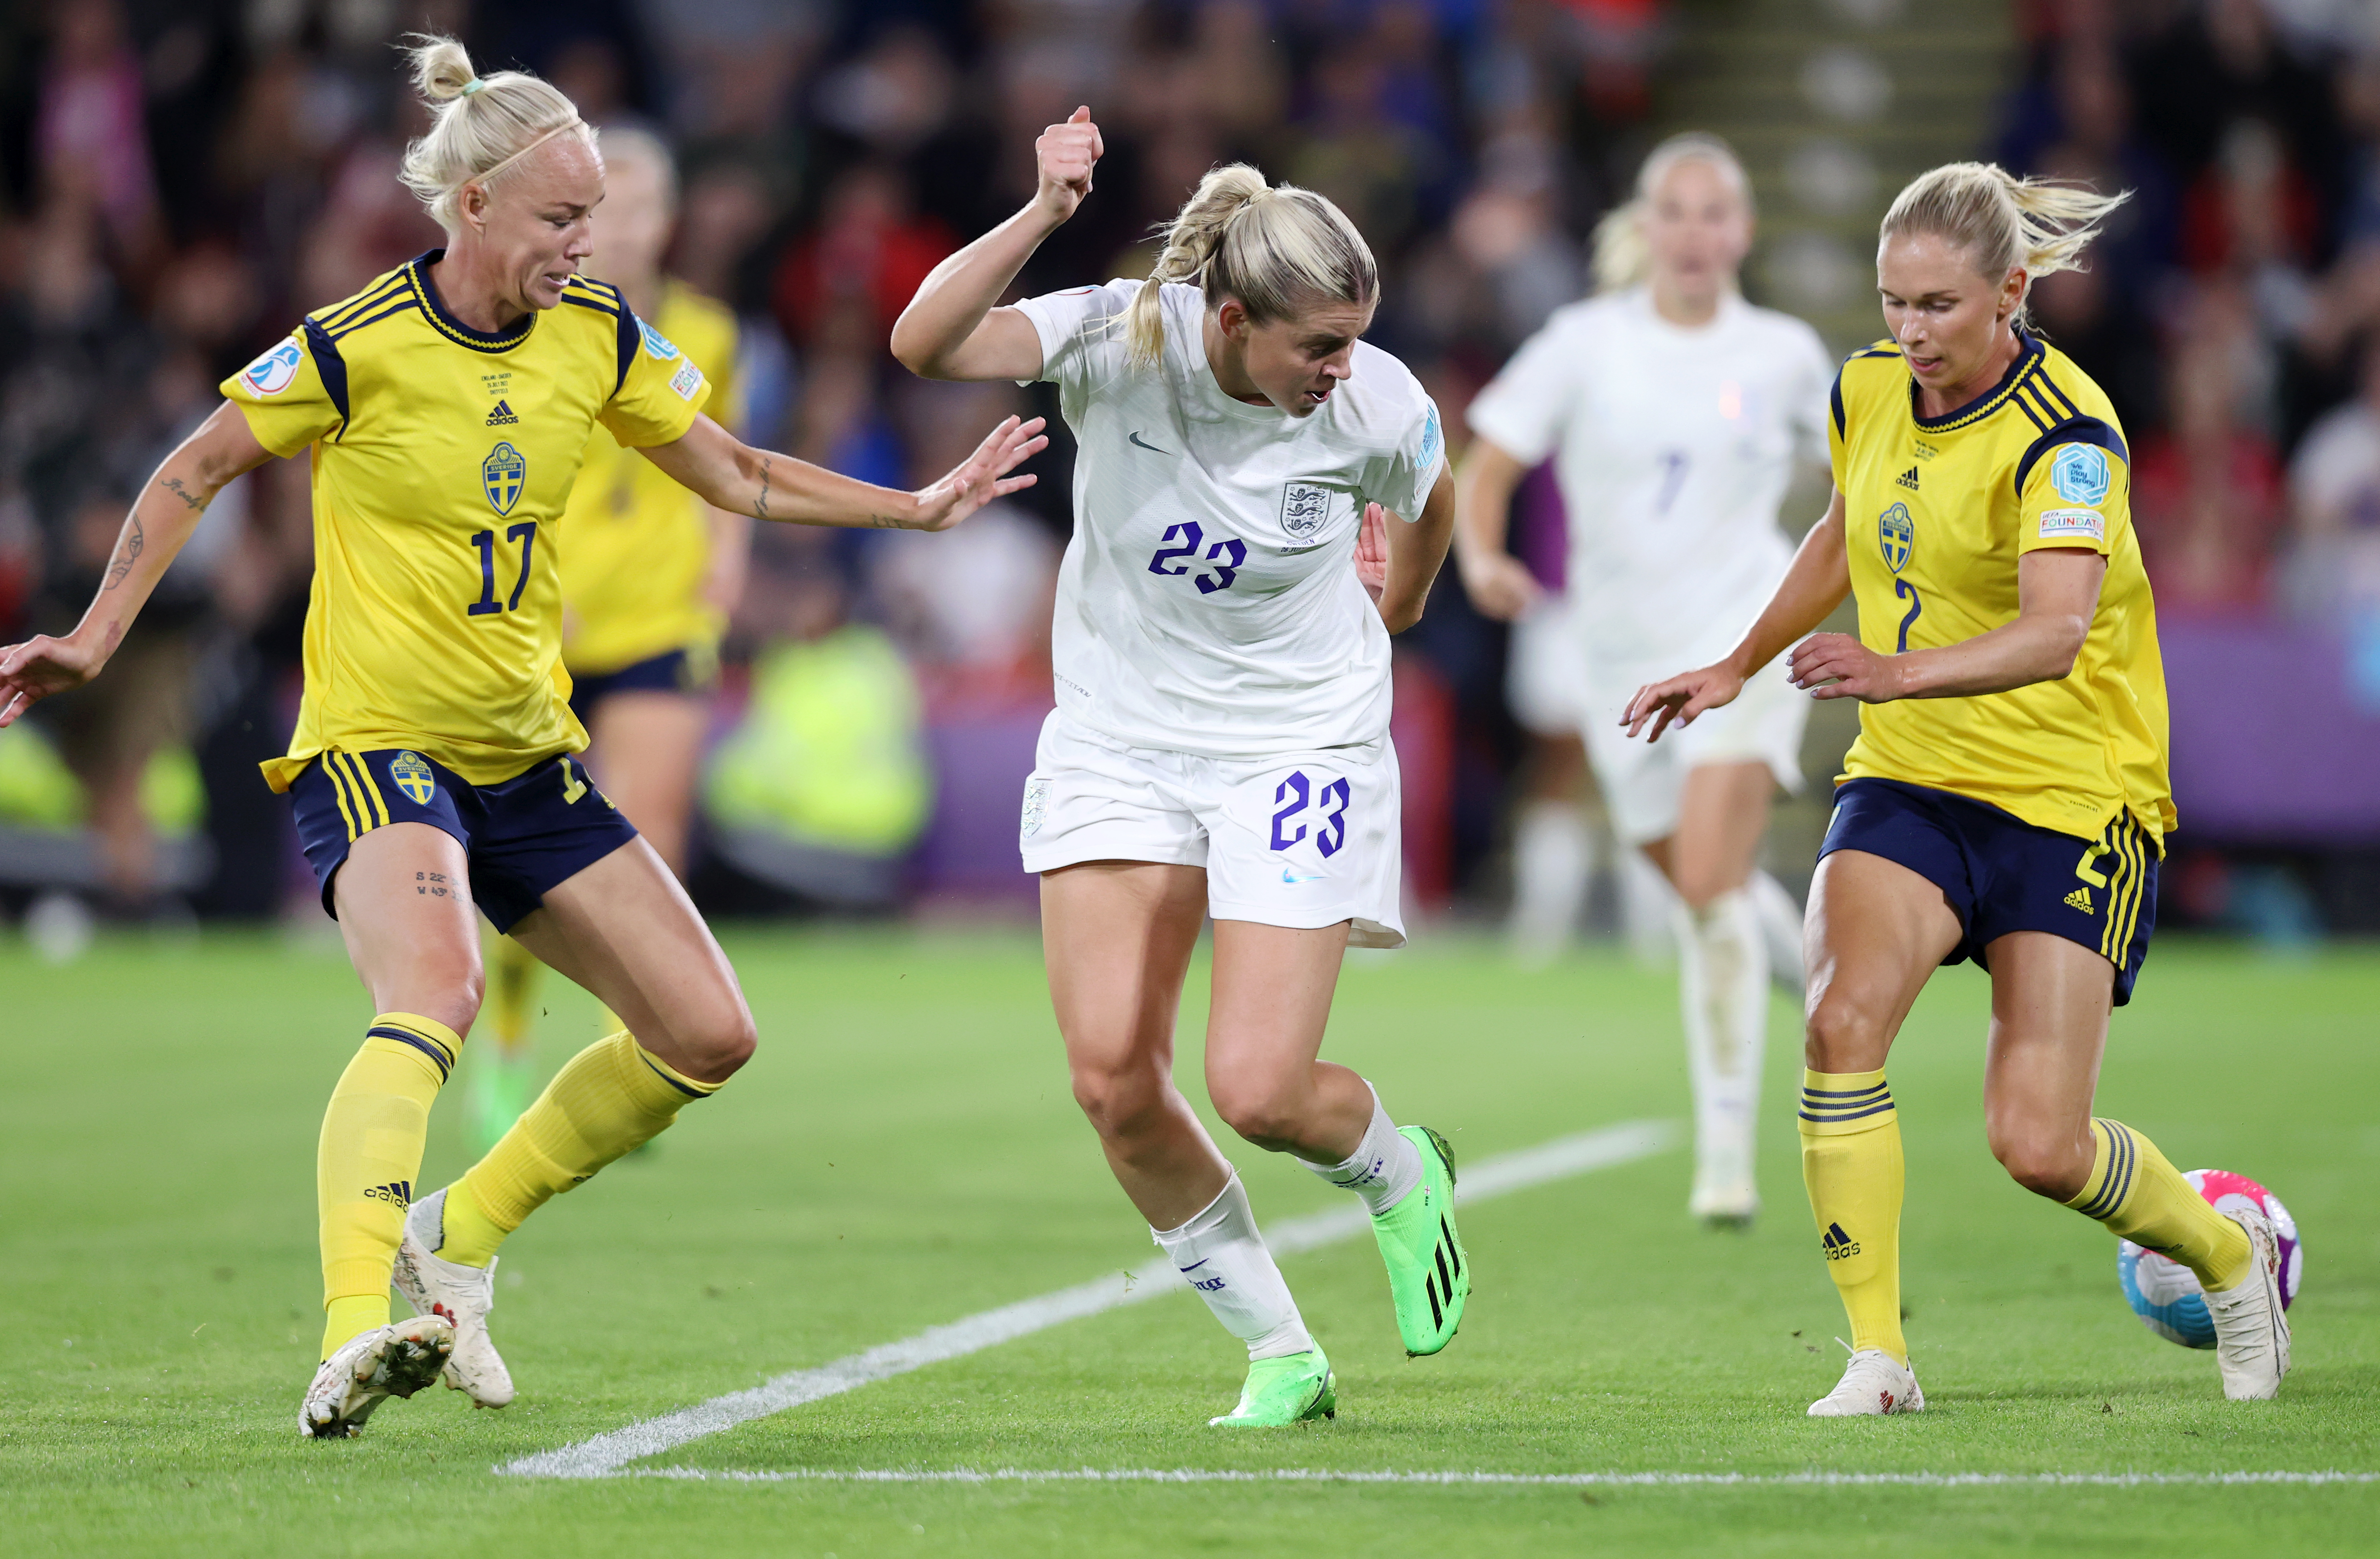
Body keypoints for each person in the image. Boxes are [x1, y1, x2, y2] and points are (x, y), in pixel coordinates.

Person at [0, 36, 1044, 1439]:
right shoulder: (355, 340)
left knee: (707, 1031)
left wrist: (911, 506)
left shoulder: (599, 334)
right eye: (562, 215)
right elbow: (196, 465)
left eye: (594, 213)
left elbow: (729, 467)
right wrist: (93, 632)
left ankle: (462, 1228)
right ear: (474, 203)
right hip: (378, 742)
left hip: (525, 754)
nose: (586, 239)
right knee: (429, 994)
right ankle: (352, 1327)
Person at [1624, 162, 2292, 1414]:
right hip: (1914, 775)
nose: (1910, 332)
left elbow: (2054, 630)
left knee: (2036, 1141)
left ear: (2010, 292)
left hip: (2070, 786)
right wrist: (1733, 663)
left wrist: (1888, 665)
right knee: (1835, 1023)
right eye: (1893, 302)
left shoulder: (2068, 432)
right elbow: (1842, 528)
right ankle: (1878, 1356)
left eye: (1937, 304)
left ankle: (2222, 1249)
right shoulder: (1868, 387)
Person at [891, 110, 1465, 1428]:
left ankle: (1397, 1167)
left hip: (1294, 737)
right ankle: (1279, 1349)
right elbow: (923, 342)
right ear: (1227, 320)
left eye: (1354, 337)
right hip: (1120, 732)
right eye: (1315, 344)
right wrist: (1041, 211)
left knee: (1259, 1088)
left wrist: (1404, 604)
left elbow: (1434, 496)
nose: (1342, 366)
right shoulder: (1122, 335)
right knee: (1108, 1074)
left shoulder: (1376, 400)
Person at [1454, 134, 1829, 1226]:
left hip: (1741, 646)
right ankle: (1824, 977)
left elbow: (1859, 480)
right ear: (1646, 225)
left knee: (1707, 876)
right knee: (1698, 889)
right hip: (1616, 661)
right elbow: (1491, 461)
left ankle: (1725, 1158)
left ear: (1742, 232)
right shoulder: (1583, 342)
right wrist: (1480, 555)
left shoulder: (1784, 354)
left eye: (1717, 213)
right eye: (1677, 210)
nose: (1697, 232)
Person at [476, 126, 749, 1153]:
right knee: (522, 851)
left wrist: (726, 561)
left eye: (637, 210)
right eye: (600, 212)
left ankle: (632, 1054)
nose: (618, 229)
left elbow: (727, 453)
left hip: (658, 613)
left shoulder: (710, 331)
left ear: (665, 221)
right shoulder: (534, 326)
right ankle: (505, 1033)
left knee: (647, 831)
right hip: (543, 615)